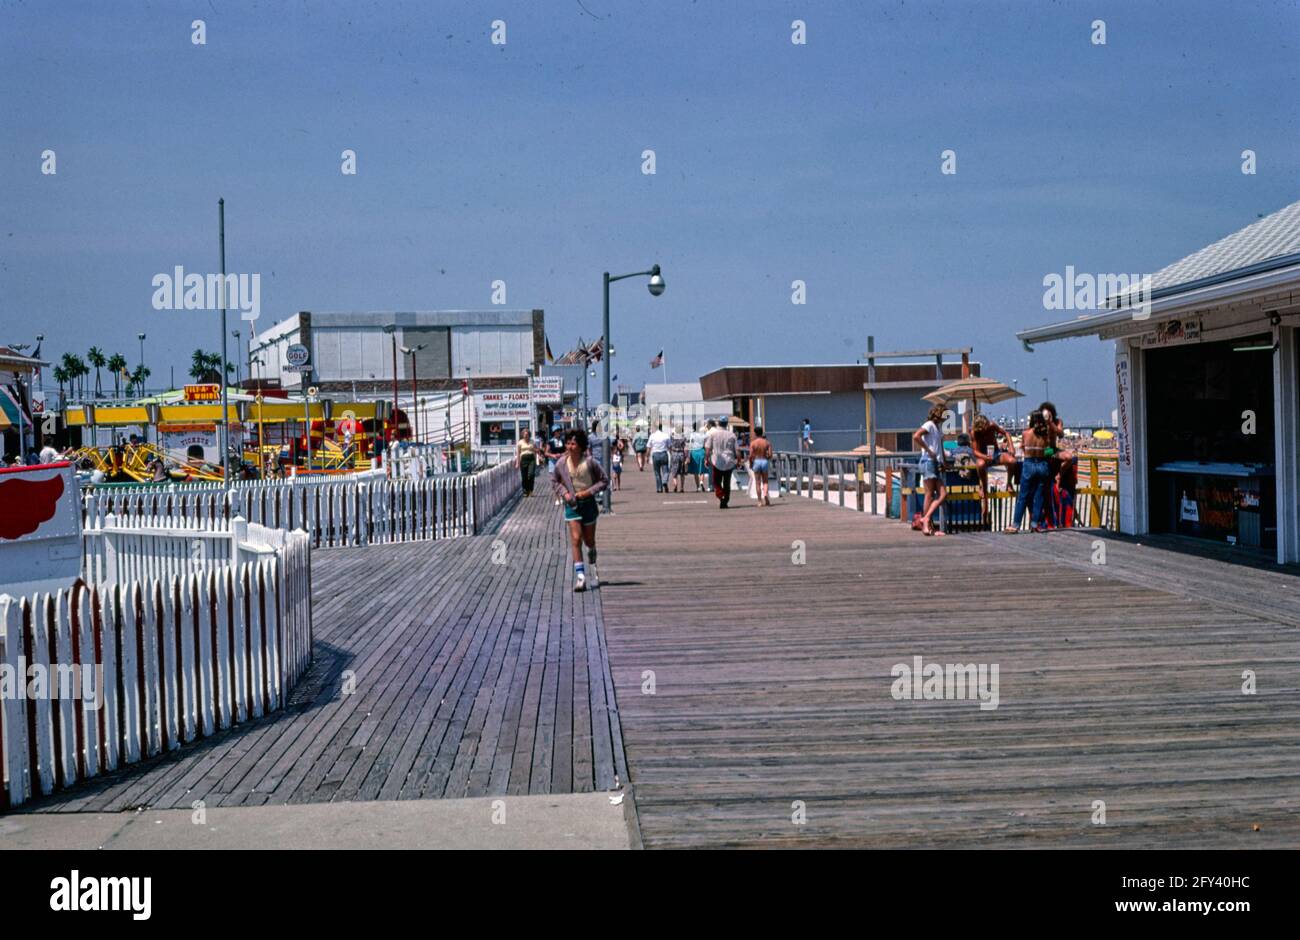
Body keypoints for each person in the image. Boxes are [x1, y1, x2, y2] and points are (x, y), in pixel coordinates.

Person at [552, 428, 608, 592]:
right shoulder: (561, 463)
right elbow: (554, 481)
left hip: (588, 504)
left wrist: (588, 492)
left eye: (573, 443)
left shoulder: (590, 462)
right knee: (576, 539)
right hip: (572, 505)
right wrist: (565, 493)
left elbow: (604, 480)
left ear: (581, 445)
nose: (570, 446)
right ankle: (581, 577)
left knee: (589, 541)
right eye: (568, 443)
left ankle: (593, 557)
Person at [1005, 412, 1052, 533]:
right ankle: (1035, 524)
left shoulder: (1026, 433)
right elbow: (1049, 452)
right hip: (1042, 465)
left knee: (1023, 496)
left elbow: (1023, 447)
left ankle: (1015, 525)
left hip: (1029, 464)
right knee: (1039, 496)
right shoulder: (1046, 434)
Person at [970, 414, 1017, 519]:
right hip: (983, 456)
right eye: (982, 429)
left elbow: (1006, 433)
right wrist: (985, 457)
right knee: (981, 464)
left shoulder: (992, 426)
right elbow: (975, 452)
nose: (984, 430)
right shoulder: (974, 433)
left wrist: (1011, 447)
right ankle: (983, 488)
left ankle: (1009, 483)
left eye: (985, 427)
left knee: (1012, 461)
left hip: (995, 453)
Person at [912, 404, 947, 536]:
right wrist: (928, 451)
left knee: (943, 494)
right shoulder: (930, 424)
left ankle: (927, 520)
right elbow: (916, 436)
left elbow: (939, 446)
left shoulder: (937, 428)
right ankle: (926, 524)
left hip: (934, 462)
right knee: (929, 494)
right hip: (928, 461)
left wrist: (942, 461)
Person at [705, 416, 739, 508]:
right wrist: (739, 460)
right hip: (729, 461)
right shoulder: (732, 435)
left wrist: (706, 459)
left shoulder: (713, 435)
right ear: (726, 424)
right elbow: (737, 450)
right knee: (727, 483)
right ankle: (725, 500)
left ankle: (721, 495)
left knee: (716, 482)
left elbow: (708, 449)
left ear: (718, 423)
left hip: (717, 461)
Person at [749, 425, 773, 506]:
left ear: (755, 433)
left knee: (758, 482)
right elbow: (770, 455)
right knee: (765, 481)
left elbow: (751, 456)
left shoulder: (753, 443)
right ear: (762, 432)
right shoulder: (767, 442)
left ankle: (759, 501)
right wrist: (767, 457)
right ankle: (765, 495)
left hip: (756, 461)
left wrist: (751, 463)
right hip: (764, 461)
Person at [514, 428, 538, 497]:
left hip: (531, 459)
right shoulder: (520, 442)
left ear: (529, 435)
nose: (526, 436)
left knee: (531, 474)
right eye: (524, 434)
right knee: (524, 476)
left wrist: (535, 450)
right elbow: (518, 453)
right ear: (522, 435)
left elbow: (537, 450)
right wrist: (517, 463)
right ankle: (525, 490)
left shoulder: (532, 441)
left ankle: (531, 490)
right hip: (523, 459)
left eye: (527, 435)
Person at [648, 423, 672, 493]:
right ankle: (664, 481)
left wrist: (647, 456)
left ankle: (659, 488)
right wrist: (671, 454)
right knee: (666, 471)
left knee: (657, 472)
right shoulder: (666, 435)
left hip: (655, 454)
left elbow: (649, 446)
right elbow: (669, 446)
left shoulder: (652, 436)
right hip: (664, 454)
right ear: (662, 428)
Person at [688, 421, 708, 491]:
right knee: (701, 470)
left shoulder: (692, 435)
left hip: (694, 452)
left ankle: (698, 487)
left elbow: (690, 445)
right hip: (702, 451)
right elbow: (706, 442)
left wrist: (688, 455)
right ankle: (701, 482)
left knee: (695, 471)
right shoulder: (703, 434)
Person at [668, 424, 688, 493]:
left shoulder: (672, 436)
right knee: (682, 473)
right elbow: (685, 448)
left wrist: (671, 453)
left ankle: (675, 484)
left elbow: (669, 446)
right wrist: (687, 457)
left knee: (674, 471)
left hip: (674, 453)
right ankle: (682, 488)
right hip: (681, 454)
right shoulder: (684, 437)